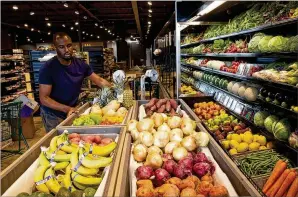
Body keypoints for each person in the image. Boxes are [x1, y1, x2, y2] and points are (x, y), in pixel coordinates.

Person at [39, 32, 111, 132]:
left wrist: (115, 89)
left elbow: (99, 80)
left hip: (71, 110)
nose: (67, 50)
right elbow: (44, 98)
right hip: (53, 114)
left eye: (69, 45)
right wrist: (67, 109)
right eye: (61, 47)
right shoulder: (48, 68)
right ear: (55, 48)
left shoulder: (80, 65)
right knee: (58, 141)